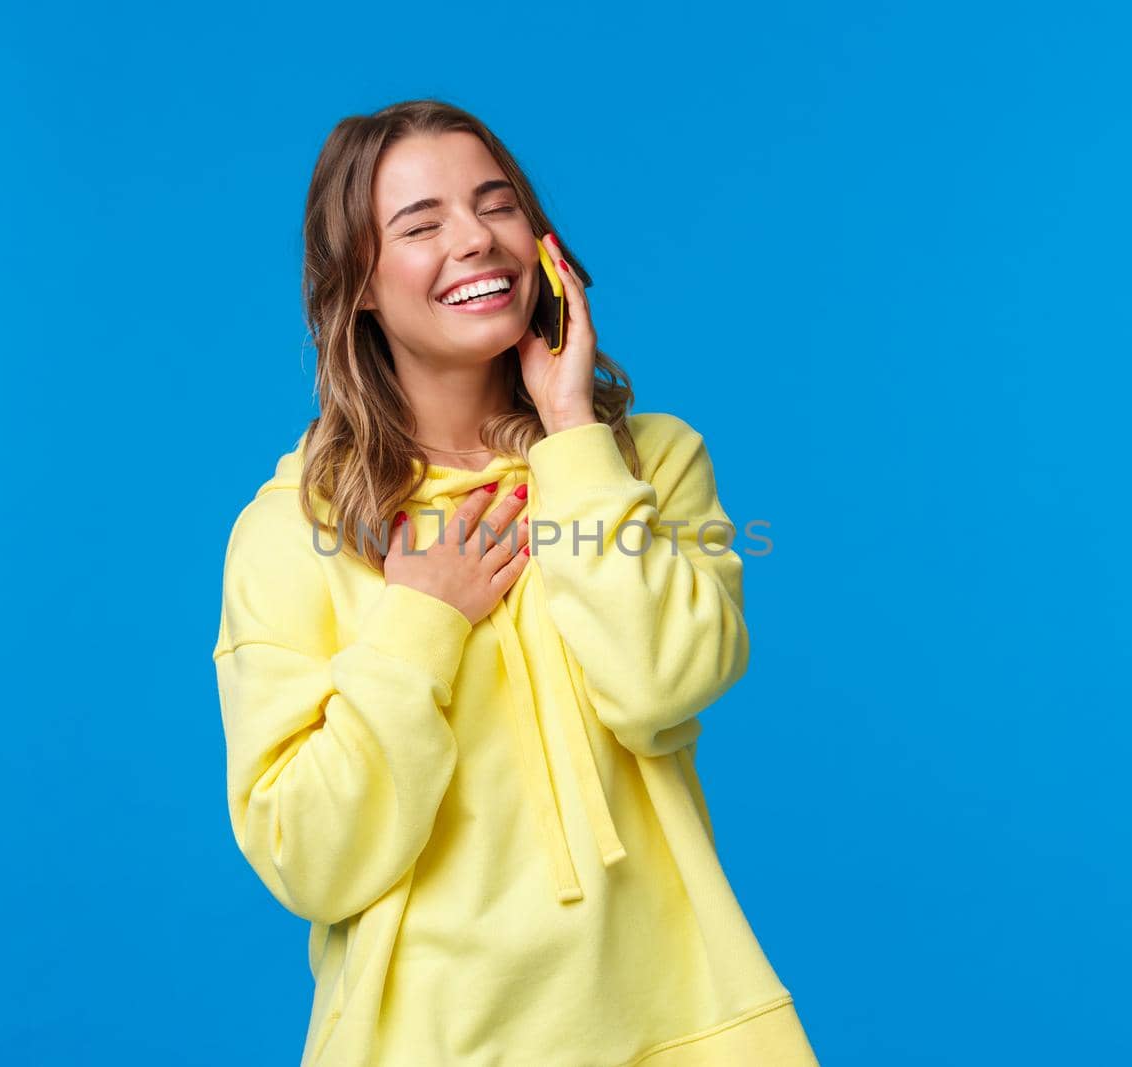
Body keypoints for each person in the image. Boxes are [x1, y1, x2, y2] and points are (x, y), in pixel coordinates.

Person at [212, 98, 821, 1066]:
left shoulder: (646, 463)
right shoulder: (292, 532)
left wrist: (574, 434)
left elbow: (663, 683)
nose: (474, 240)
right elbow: (310, 857)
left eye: (496, 205)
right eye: (420, 225)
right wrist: (419, 617)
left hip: (685, 1024)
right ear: (358, 284)